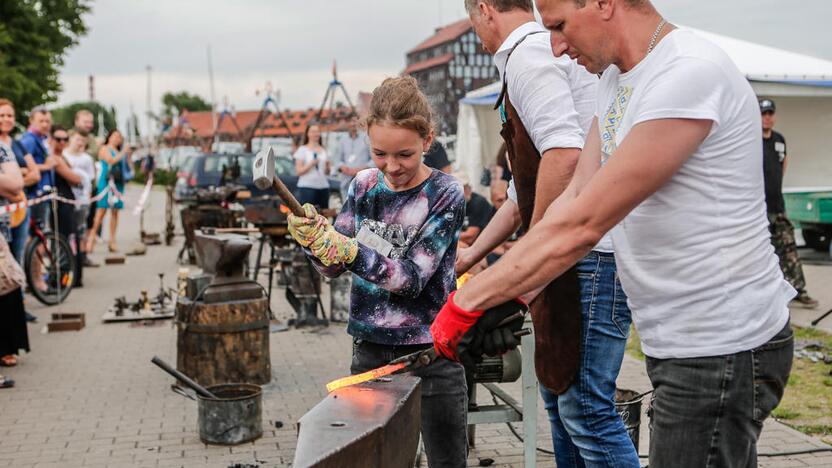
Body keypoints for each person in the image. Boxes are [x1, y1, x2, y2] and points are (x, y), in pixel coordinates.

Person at [433, 1, 795, 466]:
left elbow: (586, 224)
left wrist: (468, 301)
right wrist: (519, 293)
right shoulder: (613, 82)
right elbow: (574, 197)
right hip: (678, 340)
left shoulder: (688, 73)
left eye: (560, 26)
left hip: (722, 343)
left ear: (604, 3)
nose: (557, 48)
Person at [461, 1, 638, 465]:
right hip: (572, 257)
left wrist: (530, 256)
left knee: (586, 410)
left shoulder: (526, 55)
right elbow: (529, 189)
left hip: (591, 258)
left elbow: (563, 155)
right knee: (561, 403)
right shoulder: (533, 54)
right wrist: (472, 255)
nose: (476, 32)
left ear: (484, 9)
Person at [287, 76, 468, 467]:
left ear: (427, 140)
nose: (391, 166)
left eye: (404, 154)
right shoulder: (364, 186)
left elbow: (411, 279)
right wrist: (315, 242)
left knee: (447, 463)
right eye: (379, 153)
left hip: (431, 354)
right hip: (370, 353)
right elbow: (333, 267)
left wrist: (347, 249)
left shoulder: (445, 194)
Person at [760, 99, 818, 309]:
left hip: (778, 206)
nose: (767, 117)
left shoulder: (779, 139)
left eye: (770, 113)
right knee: (764, 253)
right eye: (763, 114)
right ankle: (768, 297)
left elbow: (783, 165)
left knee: (789, 249)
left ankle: (799, 289)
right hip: (758, 209)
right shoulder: (750, 140)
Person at [0, 137, 28, 378]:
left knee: (6, 284)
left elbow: (16, 185)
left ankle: (7, 348)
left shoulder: (3, 148)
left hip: (3, 227)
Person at [87, 129, 129, 254]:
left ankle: (112, 240)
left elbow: (126, 167)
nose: (117, 139)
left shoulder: (119, 151)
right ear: (109, 137)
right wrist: (123, 152)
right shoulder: (104, 149)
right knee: (101, 211)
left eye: (119, 137)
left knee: (115, 212)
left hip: (118, 182)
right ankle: (91, 239)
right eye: (115, 136)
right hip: (106, 183)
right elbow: (111, 160)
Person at [63, 131, 96, 270]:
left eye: (83, 141)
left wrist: (88, 194)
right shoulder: (64, 156)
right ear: (70, 139)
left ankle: (82, 256)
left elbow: (91, 178)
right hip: (67, 198)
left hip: (82, 199)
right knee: (68, 229)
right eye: (77, 139)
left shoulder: (87, 159)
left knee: (81, 227)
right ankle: (68, 257)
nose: (80, 143)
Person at [19, 107, 53, 231]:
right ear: (31, 121)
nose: (45, 124)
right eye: (41, 121)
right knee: (38, 234)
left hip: (42, 193)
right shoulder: (29, 140)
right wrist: (46, 166)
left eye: (48, 121)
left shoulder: (42, 139)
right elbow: (21, 166)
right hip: (35, 194)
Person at [332, 117, 373, 200]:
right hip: (346, 180)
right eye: (350, 121)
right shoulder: (342, 140)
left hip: (364, 180)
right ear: (347, 124)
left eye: (355, 121)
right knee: (348, 208)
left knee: (363, 206)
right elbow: (336, 159)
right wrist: (344, 168)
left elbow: (374, 159)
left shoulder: (367, 138)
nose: (352, 124)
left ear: (359, 123)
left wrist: (360, 170)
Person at [294, 123, 331, 209]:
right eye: (313, 131)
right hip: (307, 187)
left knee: (323, 215)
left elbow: (327, 173)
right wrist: (311, 164)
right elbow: (298, 171)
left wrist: (328, 167)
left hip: (323, 187)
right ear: (308, 134)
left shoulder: (324, 150)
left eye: (318, 131)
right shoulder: (302, 149)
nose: (316, 134)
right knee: (308, 216)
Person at [456, 172, 495, 246]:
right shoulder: (452, 205)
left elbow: (470, 237)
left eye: (464, 187)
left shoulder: (478, 202)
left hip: (484, 245)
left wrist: (447, 237)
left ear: (469, 188)